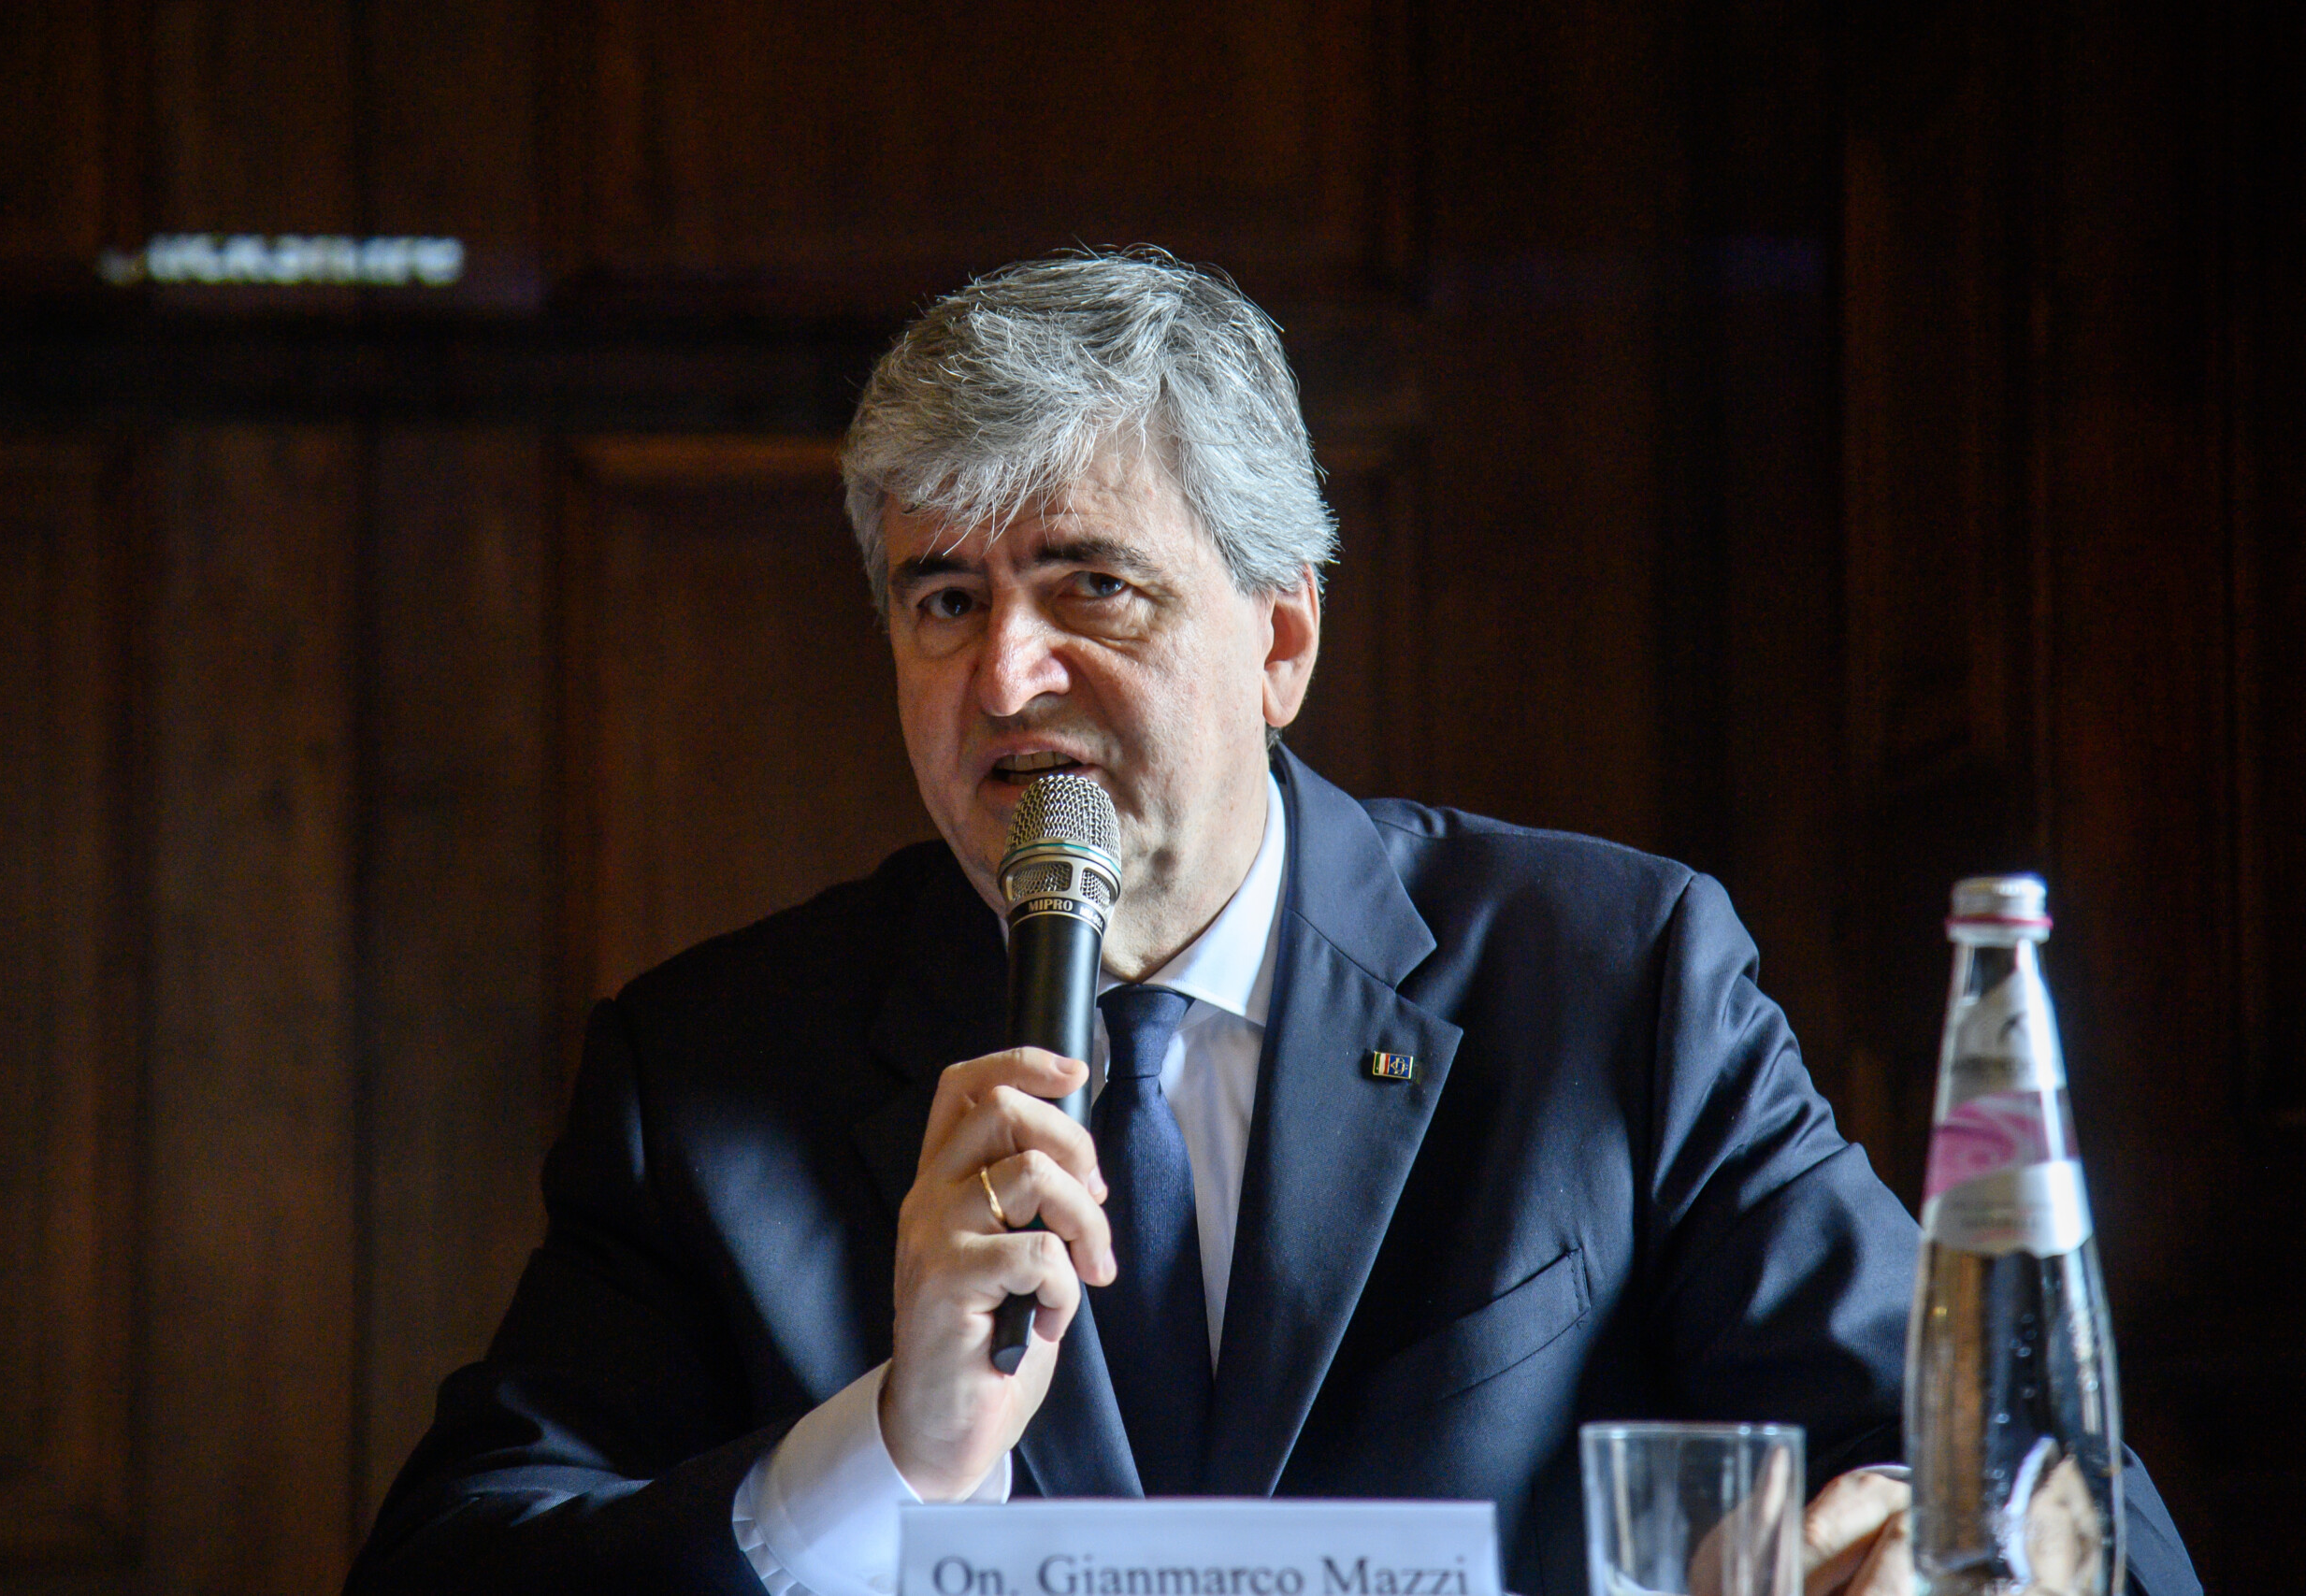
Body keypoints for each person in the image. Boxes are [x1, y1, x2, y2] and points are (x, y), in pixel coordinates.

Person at [348, 250, 2198, 1596]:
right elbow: (452, 1566)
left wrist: (1964, 1548)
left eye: (1091, 584)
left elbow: (2064, 1496)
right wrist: (886, 1451)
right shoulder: (710, 1066)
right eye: (942, 598)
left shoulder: (1611, 979)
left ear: (1281, 638)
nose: (1004, 675)